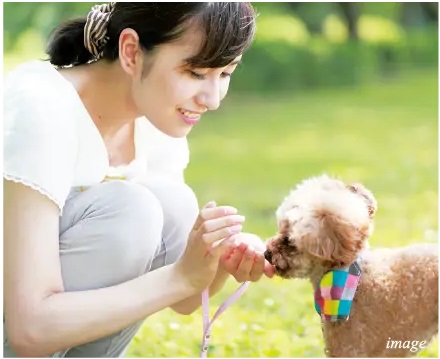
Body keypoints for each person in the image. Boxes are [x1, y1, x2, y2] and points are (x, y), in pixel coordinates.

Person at [3, 2, 275, 357]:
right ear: (131, 52)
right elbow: (30, 329)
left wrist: (220, 259)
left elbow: (185, 299)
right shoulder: (40, 107)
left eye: (224, 74)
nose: (212, 100)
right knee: (132, 209)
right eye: (195, 72)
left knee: (174, 204)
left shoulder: (156, 122)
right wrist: (179, 278)